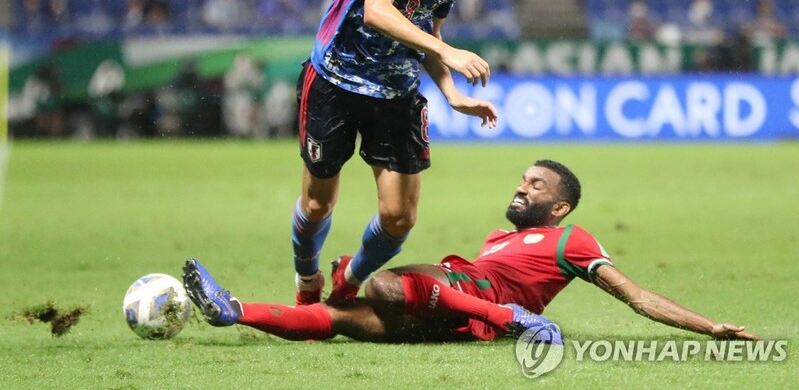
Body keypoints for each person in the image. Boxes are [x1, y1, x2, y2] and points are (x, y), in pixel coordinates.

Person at [183, 159, 759, 344]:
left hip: (476, 302)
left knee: (382, 285)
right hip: (455, 311)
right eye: (523, 178)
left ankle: (509, 318)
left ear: (560, 208)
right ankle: (235, 309)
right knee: (335, 319)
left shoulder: (571, 241)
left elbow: (635, 295)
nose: (522, 186)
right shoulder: (498, 239)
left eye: (537, 185)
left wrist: (710, 327)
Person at [289, 0, 514, 308]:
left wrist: (451, 93)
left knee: (399, 218)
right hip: (335, 79)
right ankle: (306, 279)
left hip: (396, 93)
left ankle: (347, 283)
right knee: (316, 205)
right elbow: (377, 9)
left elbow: (429, 33)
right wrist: (448, 52)